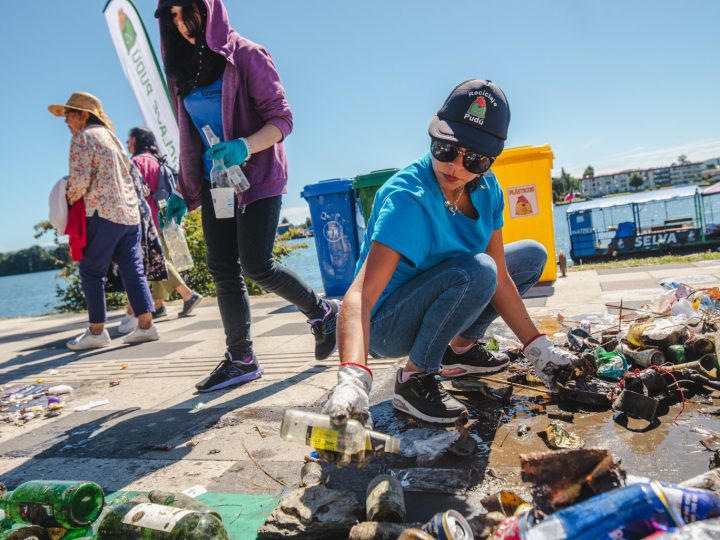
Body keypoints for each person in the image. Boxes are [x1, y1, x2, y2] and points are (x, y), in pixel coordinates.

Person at [322, 80, 578, 426]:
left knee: (530, 256)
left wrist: (539, 350)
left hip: (451, 288)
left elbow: (502, 277)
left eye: (473, 159)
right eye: (445, 149)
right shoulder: (407, 199)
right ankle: (414, 380)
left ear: (489, 162)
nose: (456, 166)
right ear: (433, 137)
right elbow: (360, 296)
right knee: (477, 270)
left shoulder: (489, 190)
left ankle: (461, 349)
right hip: (386, 324)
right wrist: (353, 376)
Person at [155, 0, 340, 393]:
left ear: (207, 9)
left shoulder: (247, 55)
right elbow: (190, 140)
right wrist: (183, 194)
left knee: (256, 264)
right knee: (222, 267)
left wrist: (245, 145)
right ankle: (241, 358)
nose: (182, 25)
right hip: (213, 184)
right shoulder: (181, 73)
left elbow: (282, 120)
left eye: (186, 13)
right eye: (171, 18)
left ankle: (323, 312)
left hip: (256, 175)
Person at [49, 92, 160, 349]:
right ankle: (146, 325)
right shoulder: (113, 139)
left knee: (91, 270)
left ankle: (97, 332)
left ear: (84, 115)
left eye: (69, 115)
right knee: (133, 269)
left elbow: (80, 182)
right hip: (130, 213)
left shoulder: (83, 137)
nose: (66, 122)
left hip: (102, 212)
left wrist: (65, 195)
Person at [120, 126, 203, 329]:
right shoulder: (157, 160)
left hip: (148, 219)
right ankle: (158, 305)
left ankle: (187, 294)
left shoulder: (138, 162)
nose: (127, 143)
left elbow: (132, 192)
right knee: (157, 260)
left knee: (155, 260)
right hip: (165, 217)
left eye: (129, 139)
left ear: (137, 141)